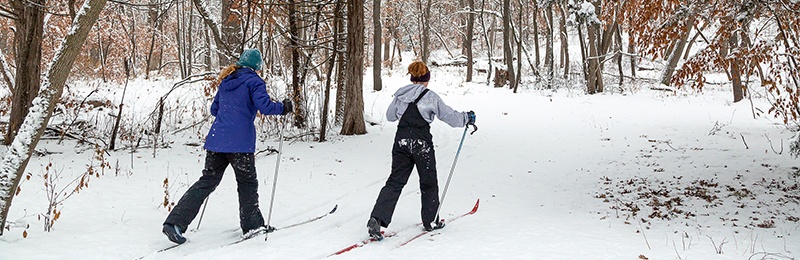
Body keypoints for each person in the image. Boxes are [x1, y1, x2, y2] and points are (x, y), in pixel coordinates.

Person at [162, 49, 293, 244]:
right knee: (247, 183)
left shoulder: (227, 81)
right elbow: (265, 106)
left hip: (217, 141)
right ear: (257, 67)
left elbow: (214, 109)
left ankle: (175, 223)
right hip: (239, 143)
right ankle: (253, 226)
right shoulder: (254, 81)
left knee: (207, 181)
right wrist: (283, 107)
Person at [367, 61, 476, 240]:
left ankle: (376, 219)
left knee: (394, 182)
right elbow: (449, 117)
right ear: (426, 79)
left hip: (401, 143)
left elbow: (390, 116)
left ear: (412, 78)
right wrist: (467, 118)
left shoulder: (401, 95)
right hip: (421, 145)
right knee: (428, 182)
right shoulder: (430, 97)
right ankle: (430, 220)